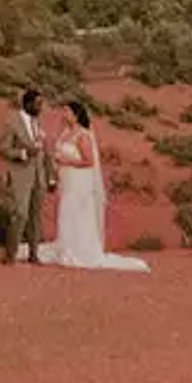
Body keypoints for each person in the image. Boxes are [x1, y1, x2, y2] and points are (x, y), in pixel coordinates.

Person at [40, 97, 147, 272]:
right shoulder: (65, 132)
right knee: (66, 211)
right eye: (63, 111)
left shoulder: (83, 134)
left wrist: (67, 161)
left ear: (76, 115)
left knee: (77, 211)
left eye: (67, 111)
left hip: (78, 180)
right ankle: (67, 246)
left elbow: (88, 161)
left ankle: (79, 250)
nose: (63, 114)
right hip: (67, 179)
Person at [0, 87, 50, 263]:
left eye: (41, 103)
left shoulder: (38, 123)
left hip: (39, 176)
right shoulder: (12, 122)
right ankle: (10, 255)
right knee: (20, 214)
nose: (41, 107)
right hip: (20, 175)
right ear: (27, 104)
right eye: (38, 104)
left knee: (36, 217)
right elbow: (3, 148)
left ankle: (33, 255)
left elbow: (44, 151)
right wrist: (24, 153)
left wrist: (50, 176)